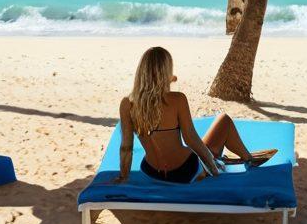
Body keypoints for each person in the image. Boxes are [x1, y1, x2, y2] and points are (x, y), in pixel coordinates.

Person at [114, 46, 276, 185]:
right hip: (185, 170)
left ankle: (223, 158)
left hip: (152, 171)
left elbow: (126, 147)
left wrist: (123, 176)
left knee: (210, 149)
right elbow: (191, 139)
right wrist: (212, 167)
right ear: (166, 72)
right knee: (223, 121)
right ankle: (248, 158)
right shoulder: (177, 99)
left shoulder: (127, 104)